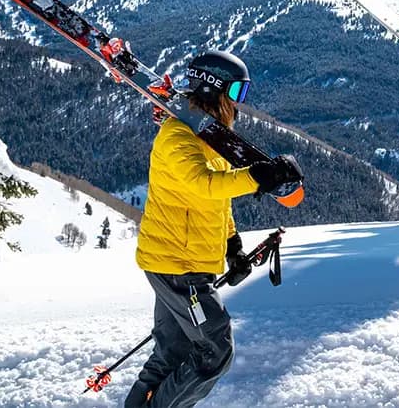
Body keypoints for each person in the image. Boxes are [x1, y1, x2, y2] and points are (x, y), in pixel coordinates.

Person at [124, 50, 303, 408]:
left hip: (183, 262)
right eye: (235, 93)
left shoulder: (208, 139)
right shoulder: (176, 137)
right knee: (214, 350)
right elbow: (204, 184)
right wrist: (257, 177)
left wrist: (232, 245)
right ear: (212, 91)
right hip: (178, 267)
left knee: (173, 351)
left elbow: (216, 200)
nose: (238, 105)